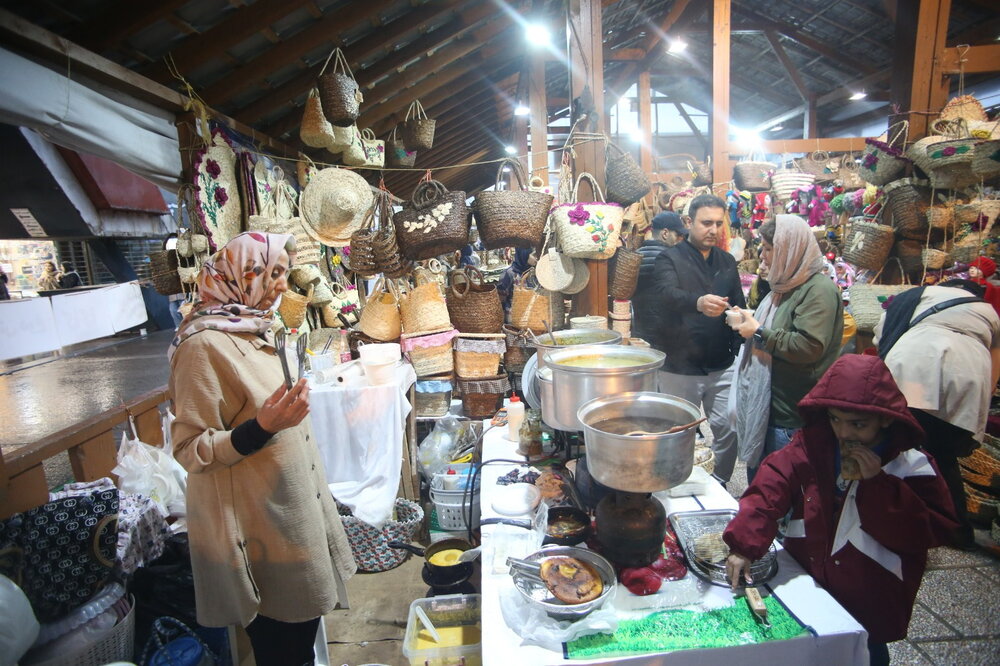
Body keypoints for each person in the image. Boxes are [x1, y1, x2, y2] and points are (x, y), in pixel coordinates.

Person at [169, 232, 356, 665]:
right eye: (268, 273)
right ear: (236, 276)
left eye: (282, 274)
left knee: (300, 638)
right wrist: (261, 428)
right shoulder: (203, 346)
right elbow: (189, 449)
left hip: (289, 512)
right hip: (260, 529)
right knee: (283, 649)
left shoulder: (253, 328)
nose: (279, 286)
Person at [723, 354, 957, 666]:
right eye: (835, 419)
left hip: (871, 587)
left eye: (858, 424)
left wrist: (878, 485)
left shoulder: (911, 465)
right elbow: (771, 485)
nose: (844, 433)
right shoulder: (813, 445)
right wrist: (744, 544)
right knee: (809, 640)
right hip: (811, 570)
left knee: (864, 648)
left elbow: (928, 530)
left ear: (885, 418)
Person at [875, 279, 1000, 549]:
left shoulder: (921, 295)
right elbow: (995, 362)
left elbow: (882, 331)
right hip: (967, 378)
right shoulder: (988, 313)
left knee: (899, 445)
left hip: (913, 368)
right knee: (943, 457)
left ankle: (890, 518)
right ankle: (956, 530)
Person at [730, 215, 843, 483]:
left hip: (791, 416)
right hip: (771, 409)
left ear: (790, 248)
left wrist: (758, 331)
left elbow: (808, 346)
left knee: (783, 492)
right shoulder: (783, 286)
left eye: (769, 249)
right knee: (763, 489)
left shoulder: (818, 290)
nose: (762, 255)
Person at [649, 194, 746, 484]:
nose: (713, 230)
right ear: (689, 222)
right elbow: (664, 295)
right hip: (680, 365)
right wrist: (698, 302)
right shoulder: (670, 257)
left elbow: (738, 303)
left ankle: (719, 480)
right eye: (706, 223)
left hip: (722, 363)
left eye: (718, 223)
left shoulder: (727, 261)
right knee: (679, 429)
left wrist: (741, 342)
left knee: (729, 427)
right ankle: (677, 482)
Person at [633, 211, 686, 342]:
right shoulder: (673, 259)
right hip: (668, 333)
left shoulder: (635, 256)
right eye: (678, 235)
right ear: (665, 233)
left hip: (641, 329)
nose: (681, 239)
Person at [496, 247, 535, 313]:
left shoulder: (533, 273)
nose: (536, 258)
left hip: (531, 317)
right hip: (513, 318)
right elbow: (500, 300)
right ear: (524, 255)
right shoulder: (509, 273)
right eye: (533, 255)